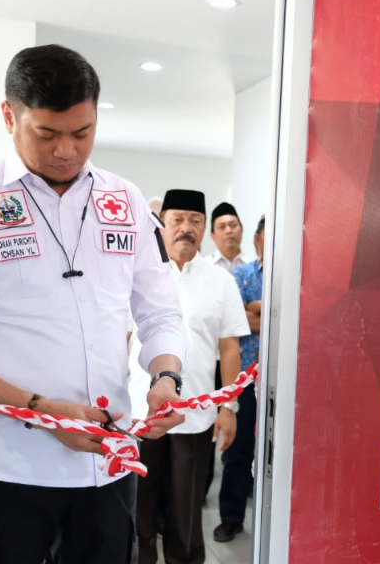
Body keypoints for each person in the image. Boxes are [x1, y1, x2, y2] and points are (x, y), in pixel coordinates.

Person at [0, 44, 187, 564]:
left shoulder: (125, 201)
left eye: (82, 133)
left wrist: (166, 378)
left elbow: (160, 313)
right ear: (8, 116)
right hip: (6, 472)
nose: (66, 151)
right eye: (47, 133)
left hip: (108, 467)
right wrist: (39, 410)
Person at [135, 189, 250, 564]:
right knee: (138, 508)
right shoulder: (140, 274)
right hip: (140, 412)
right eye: (177, 220)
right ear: (162, 225)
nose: (186, 228)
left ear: (204, 230)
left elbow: (229, 348)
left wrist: (229, 407)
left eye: (195, 221)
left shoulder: (220, 282)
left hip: (194, 414)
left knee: (186, 511)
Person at [215, 215, 265, 543]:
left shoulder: (300, 277)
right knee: (238, 450)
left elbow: (299, 318)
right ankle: (231, 518)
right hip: (246, 376)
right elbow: (237, 321)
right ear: (258, 240)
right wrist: (259, 313)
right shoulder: (241, 275)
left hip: (286, 380)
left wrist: (257, 308)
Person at [207, 202, 254, 272]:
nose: (229, 231)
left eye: (233, 225)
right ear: (213, 235)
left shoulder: (253, 266)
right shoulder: (205, 266)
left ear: (242, 230)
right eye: (222, 227)